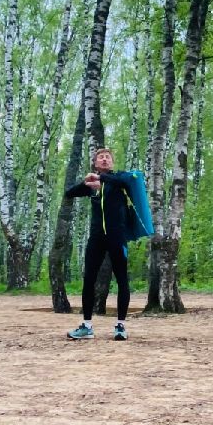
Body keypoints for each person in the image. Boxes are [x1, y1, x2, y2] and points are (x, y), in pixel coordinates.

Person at [65, 146, 135, 341]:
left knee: (122, 279)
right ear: (95, 163)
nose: (104, 159)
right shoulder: (92, 186)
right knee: (89, 280)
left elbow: (125, 181)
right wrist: (86, 182)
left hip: (117, 236)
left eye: (107, 157)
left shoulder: (119, 179)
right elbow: (70, 192)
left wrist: (101, 179)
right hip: (96, 238)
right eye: (100, 157)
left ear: (112, 163)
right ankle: (86, 327)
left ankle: (120, 326)